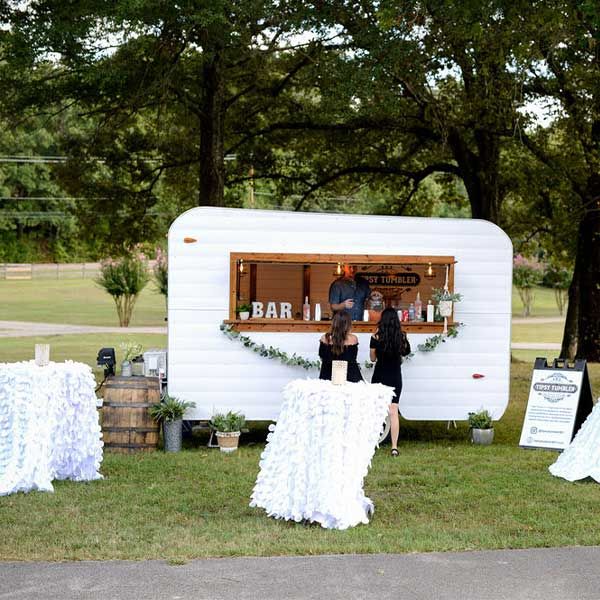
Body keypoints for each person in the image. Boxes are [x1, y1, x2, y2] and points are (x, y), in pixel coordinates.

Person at [369, 307, 411, 456]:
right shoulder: (401, 336)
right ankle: (394, 447)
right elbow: (406, 352)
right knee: (393, 411)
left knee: (376, 410)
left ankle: (372, 442)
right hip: (395, 376)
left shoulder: (376, 337)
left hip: (380, 375)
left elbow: (372, 359)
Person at [318, 310, 363, 382]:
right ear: (348, 324)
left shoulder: (324, 338)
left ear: (334, 323)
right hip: (350, 377)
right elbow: (353, 358)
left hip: (328, 376)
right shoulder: (353, 339)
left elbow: (322, 356)